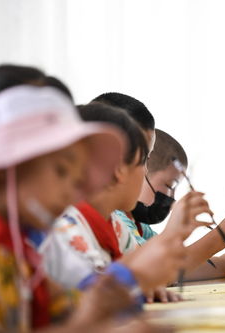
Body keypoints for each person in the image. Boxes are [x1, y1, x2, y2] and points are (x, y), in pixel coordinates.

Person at [0, 84, 134, 331]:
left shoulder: (22, 252)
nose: (70, 193)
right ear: (3, 166)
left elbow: (68, 308)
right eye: (61, 171)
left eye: (76, 182)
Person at [40, 102, 210, 296]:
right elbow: (99, 297)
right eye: (144, 161)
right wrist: (172, 235)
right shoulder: (67, 228)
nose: (146, 170)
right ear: (119, 170)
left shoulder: (114, 224)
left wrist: (144, 286)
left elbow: (134, 272)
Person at [94, 93, 225, 280]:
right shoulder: (96, 221)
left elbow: (168, 270)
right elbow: (156, 272)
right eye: (141, 160)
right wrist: (219, 238)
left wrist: (224, 263)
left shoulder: (123, 223)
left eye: (146, 159)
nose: (143, 171)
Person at [117, 128, 225, 282]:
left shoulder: (139, 227)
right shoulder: (117, 221)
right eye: (170, 185)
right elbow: (157, 271)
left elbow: (176, 265)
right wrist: (221, 242)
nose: (172, 197)